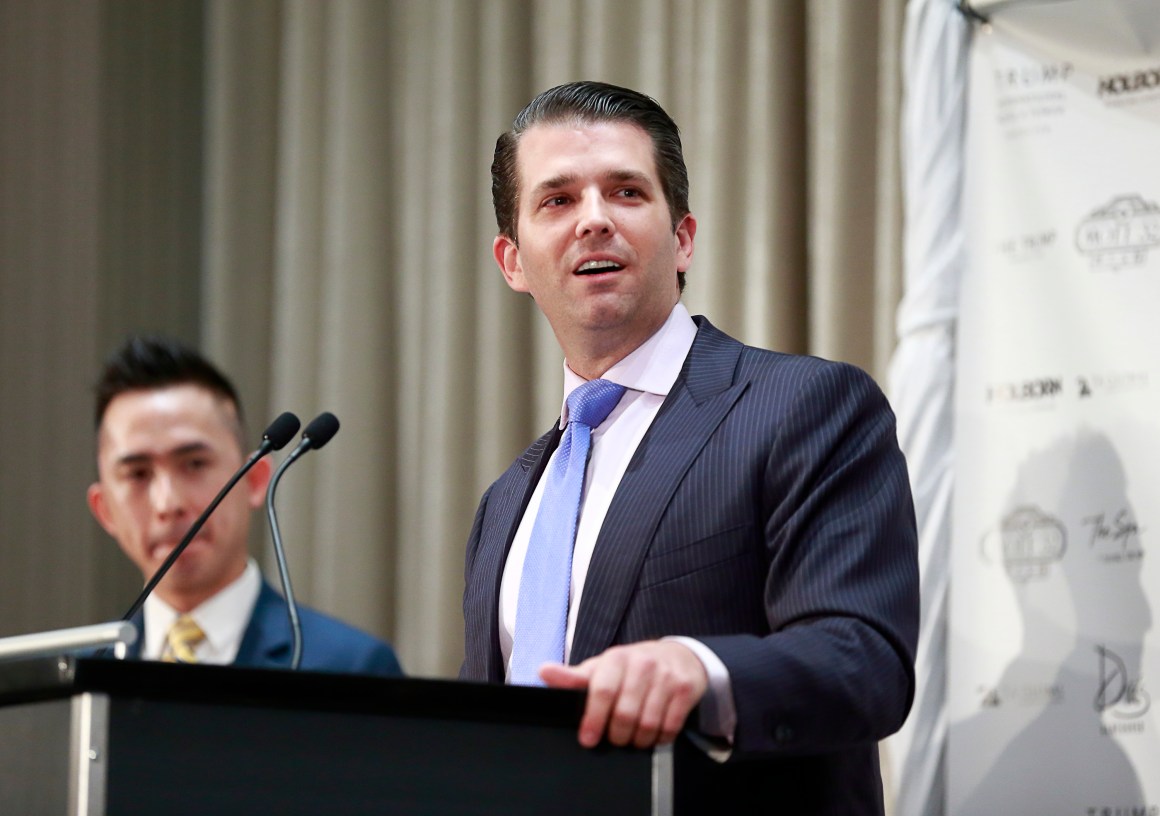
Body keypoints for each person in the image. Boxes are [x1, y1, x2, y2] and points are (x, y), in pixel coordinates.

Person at [460, 81, 918, 813]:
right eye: (558, 200)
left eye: (627, 192)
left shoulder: (803, 407)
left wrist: (699, 669)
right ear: (512, 261)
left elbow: (865, 662)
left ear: (682, 239)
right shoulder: (506, 503)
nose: (594, 221)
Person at [87, 335, 402, 676]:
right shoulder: (72, 679)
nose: (168, 503)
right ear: (104, 510)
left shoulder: (351, 669)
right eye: (138, 474)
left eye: (194, 464)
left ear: (254, 480)